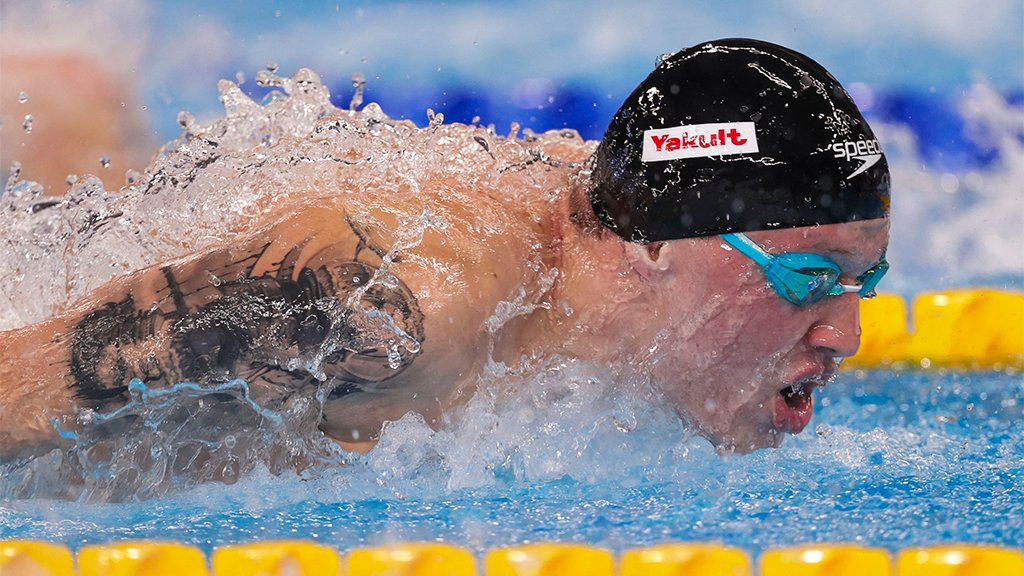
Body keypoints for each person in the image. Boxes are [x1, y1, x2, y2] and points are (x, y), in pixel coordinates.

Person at [0, 38, 889, 461]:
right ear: (654, 248)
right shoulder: (390, 310)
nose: (845, 334)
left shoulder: (620, 224)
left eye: (863, 281)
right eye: (810, 278)